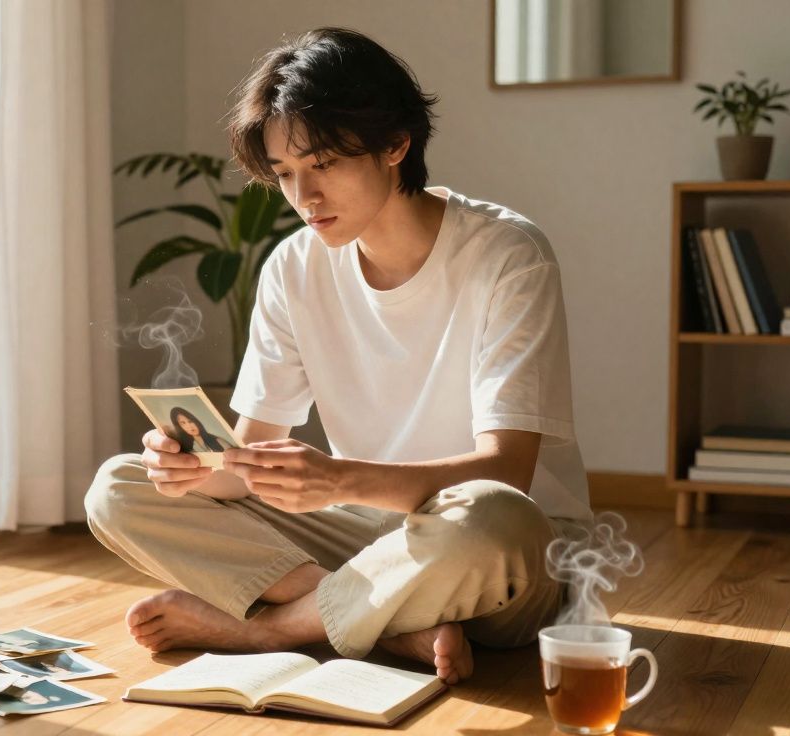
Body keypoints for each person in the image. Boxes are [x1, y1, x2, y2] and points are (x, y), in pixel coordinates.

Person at [85, 27, 594, 686]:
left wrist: (336, 479)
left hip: (501, 556)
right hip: (371, 539)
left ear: (394, 144)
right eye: (285, 174)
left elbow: (507, 471)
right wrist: (195, 470)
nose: (303, 197)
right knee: (118, 487)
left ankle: (269, 628)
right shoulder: (292, 269)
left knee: (493, 516)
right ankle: (383, 619)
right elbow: (249, 464)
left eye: (322, 164)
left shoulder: (507, 256)